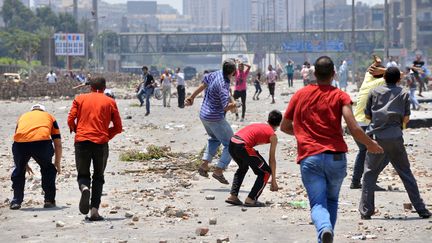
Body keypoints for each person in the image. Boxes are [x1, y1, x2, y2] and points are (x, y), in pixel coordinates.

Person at [280, 56, 383, 243]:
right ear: (334, 74)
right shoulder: (340, 96)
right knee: (332, 200)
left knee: (318, 203)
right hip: (336, 158)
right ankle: (326, 235)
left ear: (314, 74)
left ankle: (324, 228)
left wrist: (303, 134)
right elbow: (353, 127)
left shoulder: (300, 95)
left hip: (310, 158)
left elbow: (285, 126)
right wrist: (370, 144)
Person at [359, 67, 431, 220]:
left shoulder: (374, 92)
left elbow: (367, 115)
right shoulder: (404, 92)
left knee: (369, 174)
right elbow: (406, 118)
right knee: (406, 173)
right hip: (396, 138)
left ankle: (366, 211)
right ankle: (421, 209)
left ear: (384, 77)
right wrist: (398, 127)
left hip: (376, 138)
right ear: (399, 79)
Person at [68, 77, 122, 221]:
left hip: (81, 141)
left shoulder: (79, 99)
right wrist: (105, 135)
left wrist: (76, 131)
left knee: (83, 174)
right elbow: (118, 127)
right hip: (101, 143)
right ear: (104, 88)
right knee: (98, 177)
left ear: (90, 87)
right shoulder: (110, 102)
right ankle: (94, 212)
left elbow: (70, 119)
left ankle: (84, 188)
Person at [185, 59, 237, 185]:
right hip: (215, 118)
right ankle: (219, 170)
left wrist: (191, 97)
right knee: (232, 144)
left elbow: (203, 85)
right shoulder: (223, 85)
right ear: (233, 72)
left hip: (204, 115)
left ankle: (204, 165)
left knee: (215, 138)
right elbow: (225, 107)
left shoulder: (217, 74)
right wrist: (235, 104)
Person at [10, 104, 62, 210]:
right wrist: (57, 163)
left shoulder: (22, 116)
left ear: (31, 111)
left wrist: (24, 164)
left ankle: (16, 201)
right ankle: (49, 200)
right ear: (43, 111)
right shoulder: (50, 117)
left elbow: (19, 137)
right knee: (48, 169)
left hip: (20, 145)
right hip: (41, 143)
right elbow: (58, 144)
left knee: (19, 171)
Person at [225, 110, 281, 207]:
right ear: (279, 124)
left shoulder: (260, 125)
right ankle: (251, 199)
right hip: (243, 146)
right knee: (266, 172)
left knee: (243, 167)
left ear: (268, 119)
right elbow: (272, 159)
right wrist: (273, 181)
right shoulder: (273, 136)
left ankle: (233, 196)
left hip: (232, 143)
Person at [350, 56, 389, 190]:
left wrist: (376, 64)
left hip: (355, 124)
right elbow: (397, 73)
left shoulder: (367, 79)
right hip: (366, 125)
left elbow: (370, 70)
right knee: (384, 152)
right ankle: (370, 180)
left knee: (363, 151)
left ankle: (355, 181)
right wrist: (382, 69)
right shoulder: (379, 83)